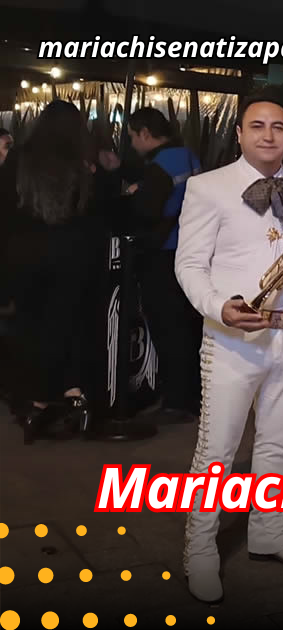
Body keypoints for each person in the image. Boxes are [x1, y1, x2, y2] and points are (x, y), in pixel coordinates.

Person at [174, 90, 283, 604]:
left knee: (277, 444)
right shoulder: (209, 187)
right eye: (258, 126)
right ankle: (198, 548)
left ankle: (267, 531)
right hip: (233, 336)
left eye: (279, 127)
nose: (269, 135)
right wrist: (216, 306)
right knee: (217, 450)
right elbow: (188, 264)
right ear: (241, 133)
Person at [0, 102, 108, 443]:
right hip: (74, 256)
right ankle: (77, 395)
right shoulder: (84, 163)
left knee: (31, 327)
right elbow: (99, 211)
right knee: (73, 325)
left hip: (25, 256)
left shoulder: (19, 159)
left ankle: (36, 403)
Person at [126, 106, 204, 424]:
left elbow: (146, 212)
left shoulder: (158, 167)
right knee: (190, 328)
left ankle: (175, 401)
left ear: (145, 134)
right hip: (192, 252)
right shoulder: (189, 156)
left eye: (133, 137)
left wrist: (134, 195)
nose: (132, 144)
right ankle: (196, 397)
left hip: (163, 256)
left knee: (168, 329)